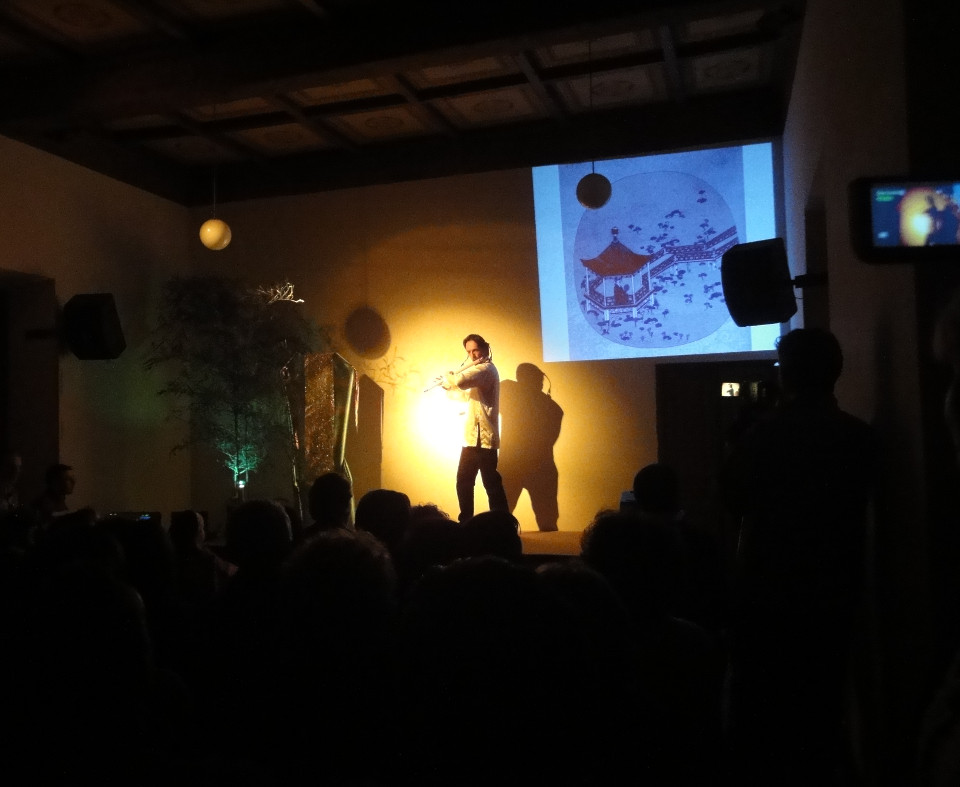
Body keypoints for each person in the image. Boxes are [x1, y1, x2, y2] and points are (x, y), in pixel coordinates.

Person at [720, 327, 877, 784]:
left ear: (785, 375)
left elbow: (732, 500)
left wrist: (737, 444)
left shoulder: (762, 436)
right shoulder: (860, 437)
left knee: (760, 714)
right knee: (822, 708)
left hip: (766, 592)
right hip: (836, 591)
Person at [442, 333, 509, 523]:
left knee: (491, 484)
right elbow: (463, 396)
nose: (472, 355)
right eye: (469, 352)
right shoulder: (478, 372)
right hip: (472, 437)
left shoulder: (486, 369)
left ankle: (502, 524)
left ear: (486, 348)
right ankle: (466, 523)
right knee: (464, 482)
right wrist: (448, 387)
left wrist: (451, 377)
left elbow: (461, 381)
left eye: (475, 350)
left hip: (484, 437)